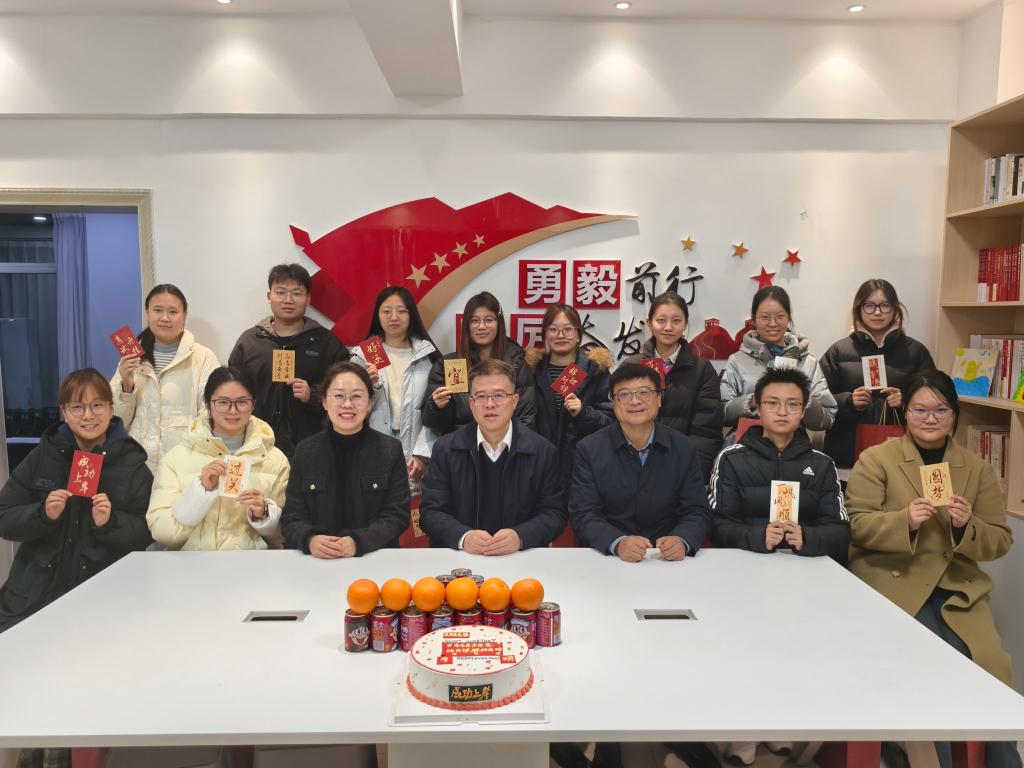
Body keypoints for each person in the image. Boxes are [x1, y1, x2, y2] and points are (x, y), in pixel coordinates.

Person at [846, 371, 1019, 768]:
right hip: (895, 580)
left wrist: (966, 526)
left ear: (954, 414)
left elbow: (1000, 539)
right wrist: (903, 521)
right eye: (919, 410)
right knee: (935, 665)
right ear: (905, 412)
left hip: (958, 588)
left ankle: (1003, 759)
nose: (930, 419)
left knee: (990, 665)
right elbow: (856, 525)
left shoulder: (975, 468)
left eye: (940, 410)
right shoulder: (877, 459)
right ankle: (934, 759)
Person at [709, 368, 850, 766]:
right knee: (746, 652)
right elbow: (716, 523)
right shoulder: (732, 458)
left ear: (804, 411)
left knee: (794, 652)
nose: (782, 411)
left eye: (792, 404)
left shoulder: (822, 464)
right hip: (745, 575)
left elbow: (840, 530)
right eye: (772, 403)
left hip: (804, 577)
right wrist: (757, 536)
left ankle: (781, 726)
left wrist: (808, 537)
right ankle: (743, 737)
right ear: (757, 408)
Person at [0, 369, 153, 632]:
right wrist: (43, 514)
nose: (88, 416)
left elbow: (147, 532)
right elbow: (4, 517)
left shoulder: (132, 464)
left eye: (97, 406)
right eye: (77, 407)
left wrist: (110, 523)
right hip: (33, 596)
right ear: (64, 411)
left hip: (103, 600)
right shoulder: (43, 455)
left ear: (110, 408)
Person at [570, 362, 712, 562]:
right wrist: (618, 542)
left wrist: (682, 539)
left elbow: (697, 510)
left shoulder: (684, 448)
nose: (635, 401)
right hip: (608, 559)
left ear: (659, 399)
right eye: (624, 394)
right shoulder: (589, 449)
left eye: (644, 393)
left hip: (664, 560)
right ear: (614, 402)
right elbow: (584, 514)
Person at [419, 359, 564, 553]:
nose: (489, 404)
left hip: (521, 558)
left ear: (514, 401)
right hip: (462, 559)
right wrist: (463, 537)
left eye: (499, 395)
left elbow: (554, 512)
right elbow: (430, 512)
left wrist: (521, 536)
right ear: (471, 404)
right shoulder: (445, 449)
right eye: (480, 396)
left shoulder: (542, 451)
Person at [146, 367, 290, 550]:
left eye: (242, 402)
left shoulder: (275, 460)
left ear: (253, 404)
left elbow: (285, 533)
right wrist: (200, 492)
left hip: (250, 563)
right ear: (208, 405)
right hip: (191, 563)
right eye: (222, 402)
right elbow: (162, 531)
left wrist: (264, 514)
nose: (232, 411)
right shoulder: (176, 457)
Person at [281, 362, 409, 557]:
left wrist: (359, 542)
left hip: (374, 558)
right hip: (318, 562)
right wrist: (309, 539)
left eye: (356, 396)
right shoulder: (305, 450)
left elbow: (397, 515)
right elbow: (292, 516)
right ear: (324, 401)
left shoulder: (390, 450)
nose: (347, 404)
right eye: (338, 396)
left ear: (369, 402)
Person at [228, 263, 350, 458]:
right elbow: (231, 390)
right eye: (281, 292)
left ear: (308, 299)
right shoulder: (250, 342)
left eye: (296, 293)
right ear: (269, 296)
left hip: (313, 447)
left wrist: (312, 395)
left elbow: (345, 394)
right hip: (255, 445)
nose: (288, 300)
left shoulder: (327, 343)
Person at [820, 279, 936, 469]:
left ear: (895, 309)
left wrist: (906, 401)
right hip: (847, 455)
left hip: (903, 456)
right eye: (869, 305)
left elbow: (936, 400)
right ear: (859, 309)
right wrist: (849, 402)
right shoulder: (838, 352)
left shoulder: (916, 351)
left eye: (884, 305)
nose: (877, 312)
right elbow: (818, 403)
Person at [110, 284, 219, 473]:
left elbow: (211, 413)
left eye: (173, 312)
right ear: (147, 313)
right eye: (157, 310)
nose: (165, 318)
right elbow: (116, 420)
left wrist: (193, 458)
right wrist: (126, 387)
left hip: (184, 464)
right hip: (139, 466)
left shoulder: (203, 358)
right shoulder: (131, 358)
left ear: (184, 316)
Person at [350, 286, 442, 492]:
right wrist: (367, 386)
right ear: (378, 315)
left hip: (417, 450)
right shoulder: (365, 355)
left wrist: (422, 453)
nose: (394, 317)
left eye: (401, 311)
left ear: (411, 315)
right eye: (386, 311)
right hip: (372, 447)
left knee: (414, 506)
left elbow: (436, 411)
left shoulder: (427, 356)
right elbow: (348, 408)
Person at [625, 291, 722, 481]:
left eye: (676, 321)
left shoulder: (702, 369)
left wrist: (690, 472)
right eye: (661, 320)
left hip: (683, 469)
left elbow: (706, 431)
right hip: (635, 468)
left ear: (685, 324)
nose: (668, 327)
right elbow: (620, 418)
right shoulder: (632, 366)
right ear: (649, 323)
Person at [721, 286, 836, 438]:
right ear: (754, 319)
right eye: (765, 317)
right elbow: (722, 413)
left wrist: (803, 399)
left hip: (793, 445)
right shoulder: (737, 361)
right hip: (747, 444)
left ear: (788, 318)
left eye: (780, 317)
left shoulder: (808, 362)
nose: (773, 323)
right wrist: (754, 400)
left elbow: (827, 419)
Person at [524, 304, 614, 487]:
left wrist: (583, 412)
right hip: (540, 465)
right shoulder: (532, 371)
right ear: (545, 334)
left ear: (579, 333)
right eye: (553, 329)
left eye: (568, 329)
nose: (560, 335)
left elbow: (611, 419)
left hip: (584, 467)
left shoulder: (596, 370)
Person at [422, 291, 535, 435]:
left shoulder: (516, 363)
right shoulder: (449, 365)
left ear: (499, 323)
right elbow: (435, 425)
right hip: (460, 445)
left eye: (489, 320)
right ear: (467, 325)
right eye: (475, 321)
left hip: (507, 445)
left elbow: (526, 418)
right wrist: (436, 407)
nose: (481, 326)